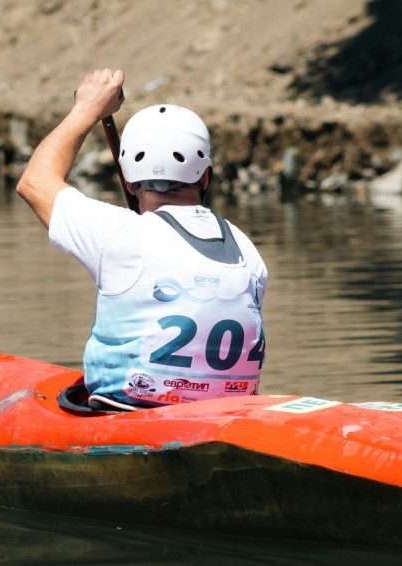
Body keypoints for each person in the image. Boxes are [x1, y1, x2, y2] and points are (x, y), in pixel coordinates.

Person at [16, 68, 267, 411]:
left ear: (129, 180)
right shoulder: (245, 249)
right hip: (229, 416)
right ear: (205, 177)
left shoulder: (119, 234)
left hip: (129, 414)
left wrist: (88, 108)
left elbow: (34, 182)